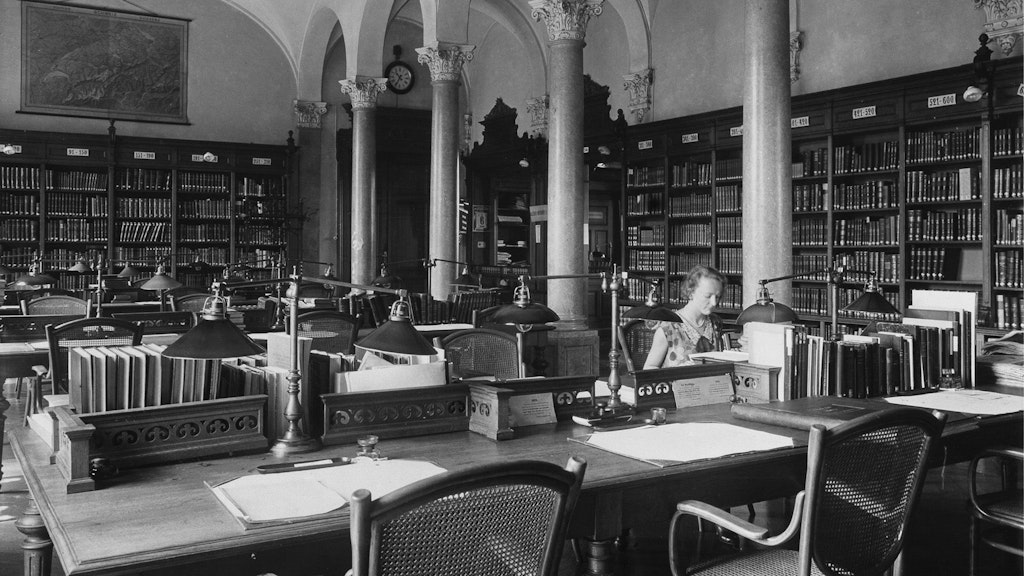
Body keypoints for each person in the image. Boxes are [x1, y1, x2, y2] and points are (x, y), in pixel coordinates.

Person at [643, 265, 726, 369]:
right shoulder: (668, 327)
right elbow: (649, 368)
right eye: (708, 296)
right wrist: (678, 372)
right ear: (691, 292)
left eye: (717, 297)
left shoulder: (715, 323)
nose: (714, 303)